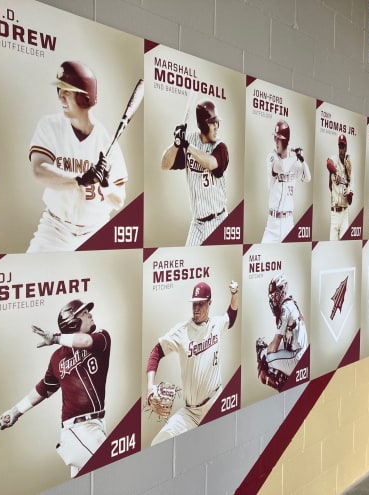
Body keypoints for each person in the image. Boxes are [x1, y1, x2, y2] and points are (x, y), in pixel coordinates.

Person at [0, 299, 111, 477]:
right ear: (73, 322)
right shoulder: (57, 358)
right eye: (84, 313)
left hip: (96, 425)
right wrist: (15, 411)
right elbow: (44, 389)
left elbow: (85, 341)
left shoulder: (101, 338)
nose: (90, 314)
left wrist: (56, 338)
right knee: (112, 471)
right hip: (77, 430)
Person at [26, 60, 128, 252]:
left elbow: (118, 200)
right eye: (60, 91)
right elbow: (39, 170)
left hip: (96, 232)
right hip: (55, 229)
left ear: (84, 98)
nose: (61, 98)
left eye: (67, 92)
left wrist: (105, 186)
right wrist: (79, 179)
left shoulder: (107, 142)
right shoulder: (50, 126)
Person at [145, 280, 239, 445]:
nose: (196, 308)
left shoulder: (216, 324)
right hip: (191, 411)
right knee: (157, 443)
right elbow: (156, 352)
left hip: (215, 402)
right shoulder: (182, 331)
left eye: (201, 304)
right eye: (194, 304)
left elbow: (230, 316)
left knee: (218, 446)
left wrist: (234, 295)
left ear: (209, 303)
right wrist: (150, 386)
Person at [161, 100, 230, 246]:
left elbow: (211, 163)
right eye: (213, 123)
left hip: (217, 221)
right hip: (197, 224)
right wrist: (177, 144)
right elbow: (165, 164)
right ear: (203, 125)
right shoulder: (189, 140)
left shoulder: (220, 147)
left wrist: (187, 146)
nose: (217, 126)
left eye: (217, 122)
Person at [261, 120, 312, 243]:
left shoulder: (294, 161)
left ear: (285, 141)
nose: (276, 142)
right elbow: (280, 167)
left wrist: (302, 160)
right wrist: (295, 156)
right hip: (272, 223)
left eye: (278, 139)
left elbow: (307, 178)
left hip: (288, 223)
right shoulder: (271, 157)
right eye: (275, 138)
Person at [256, 274, 308, 391]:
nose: (274, 298)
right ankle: (284, 378)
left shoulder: (285, 308)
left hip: (297, 357)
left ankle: (284, 386)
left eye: (276, 294)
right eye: (272, 295)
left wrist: (262, 352)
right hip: (300, 352)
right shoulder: (291, 302)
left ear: (283, 291)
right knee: (267, 353)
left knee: (265, 360)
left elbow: (274, 347)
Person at [326, 133, 353, 240]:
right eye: (340, 146)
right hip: (334, 212)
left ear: (346, 148)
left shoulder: (349, 166)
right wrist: (336, 172)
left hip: (345, 213)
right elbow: (328, 163)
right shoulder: (334, 159)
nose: (341, 149)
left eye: (343, 146)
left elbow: (351, 201)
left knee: (343, 247)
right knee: (332, 247)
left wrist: (349, 191)